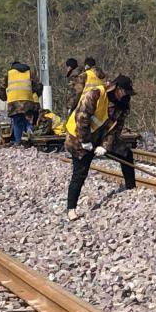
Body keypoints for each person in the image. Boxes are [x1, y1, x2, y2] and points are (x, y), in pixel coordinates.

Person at [65, 75, 136, 221]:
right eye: (124, 92)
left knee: (126, 154)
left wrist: (105, 146)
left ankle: (131, 189)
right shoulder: (96, 94)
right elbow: (82, 118)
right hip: (78, 136)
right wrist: (85, 141)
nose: (125, 95)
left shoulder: (123, 105)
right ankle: (71, 208)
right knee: (80, 172)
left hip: (100, 136)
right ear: (116, 88)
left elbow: (115, 129)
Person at [0, 61, 43, 145]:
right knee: (28, 119)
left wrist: (3, 97)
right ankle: (30, 132)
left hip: (14, 102)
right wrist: (36, 93)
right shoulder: (29, 73)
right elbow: (39, 85)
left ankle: (18, 142)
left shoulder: (9, 73)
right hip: (28, 101)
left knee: (17, 121)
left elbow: (1, 86)